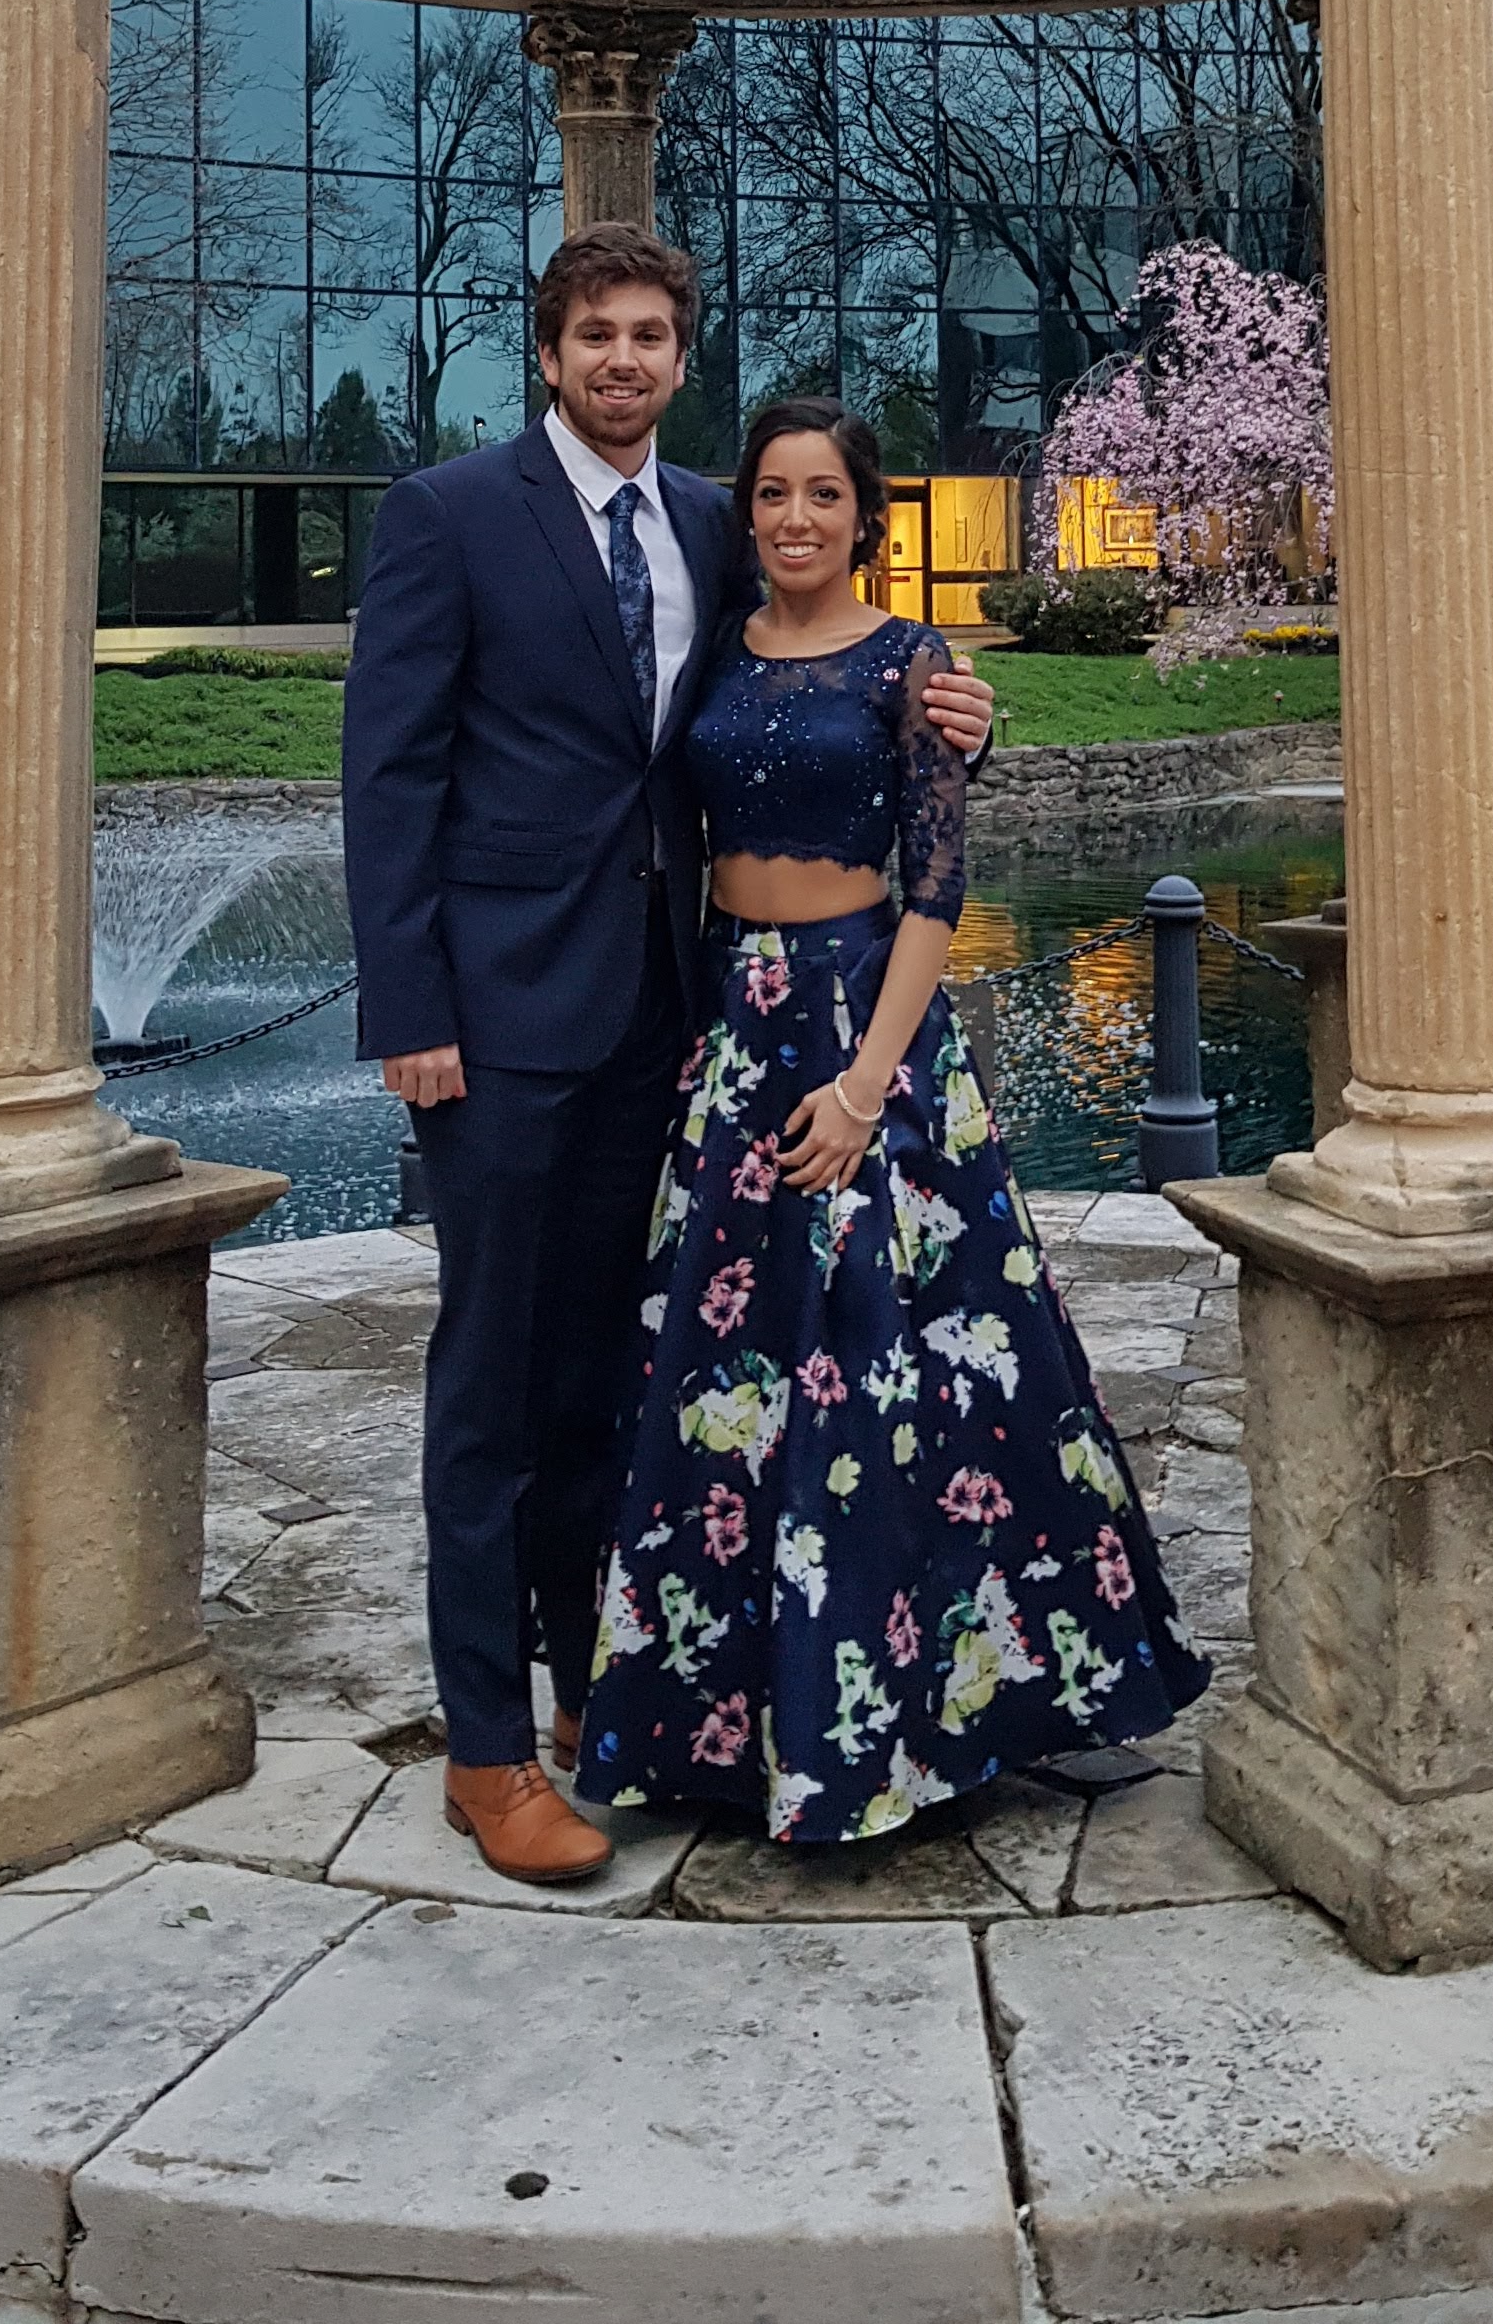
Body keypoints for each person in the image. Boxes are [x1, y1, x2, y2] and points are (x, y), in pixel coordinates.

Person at [344, 229, 995, 1887]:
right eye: (593, 337)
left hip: (668, 1019)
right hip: (490, 1025)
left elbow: (827, 681)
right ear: (546, 355)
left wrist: (964, 708)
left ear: (678, 357)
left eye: (648, 336)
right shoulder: (448, 517)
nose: (621, 360)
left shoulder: (718, 516)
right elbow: (389, 782)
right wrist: (406, 1012)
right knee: (489, 1386)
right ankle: (483, 1753)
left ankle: (588, 1702)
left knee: (600, 1382)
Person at [583, 395, 1206, 1844]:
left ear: (866, 516)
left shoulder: (917, 663)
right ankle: (725, 1719)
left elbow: (939, 887)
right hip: (734, 1031)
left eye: (824, 497)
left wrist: (867, 1086)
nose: (796, 519)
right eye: (773, 496)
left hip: (869, 1023)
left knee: (891, 1373)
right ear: (749, 516)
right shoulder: (717, 650)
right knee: (726, 1376)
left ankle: (912, 1718)